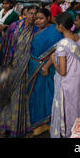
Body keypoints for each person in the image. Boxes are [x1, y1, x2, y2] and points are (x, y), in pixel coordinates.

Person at [0, 5, 39, 138]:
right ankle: (5, 125)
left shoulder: (37, 30)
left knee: (20, 97)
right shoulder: (14, 27)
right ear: (24, 14)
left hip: (25, 69)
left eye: (35, 14)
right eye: (30, 13)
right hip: (10, 66)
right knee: (7, 96)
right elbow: (2, 42)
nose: (32, 16)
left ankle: (18, 126)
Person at [50, 12, 80, 138]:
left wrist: (53, 61)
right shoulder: (78, 38)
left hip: (68, 81)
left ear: (61, 26)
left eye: (56, 25)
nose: (56, 27)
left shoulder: (62, 45)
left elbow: (62, 71)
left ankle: (71, 133)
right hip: (79, 78)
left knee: (70, 108)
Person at [27, 8, 63, 136]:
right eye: (36, 18)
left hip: (48, 68)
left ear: (48, 18)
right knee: (34, 96)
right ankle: (37, 123)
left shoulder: (55, 31)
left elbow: (58, 51)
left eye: (41, 18)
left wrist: (46, 66)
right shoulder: (34, 30)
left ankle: (49, 122)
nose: (37, 21)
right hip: (32, 67)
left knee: (48, 94)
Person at [0, 0, 19, 64]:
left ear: (11, 4)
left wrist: (6, 26)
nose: (4, 5)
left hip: (8, 37)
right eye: (3, 3)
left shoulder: (14, 15)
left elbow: (17, 26)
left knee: (5, 54)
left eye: (7, 3)